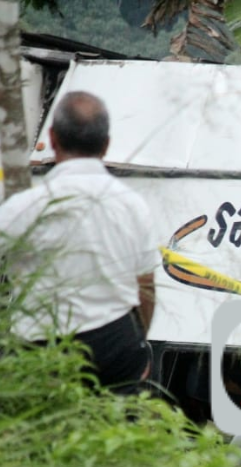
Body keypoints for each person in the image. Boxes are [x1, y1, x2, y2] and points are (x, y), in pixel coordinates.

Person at [0, 91, 157, 394]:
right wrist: (137, 344)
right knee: (116, 429)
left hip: (43, 347)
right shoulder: (132, 205)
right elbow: (146, 287)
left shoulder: (26, 206)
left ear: (53, 139)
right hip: (115, 345)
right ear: (106, 144)